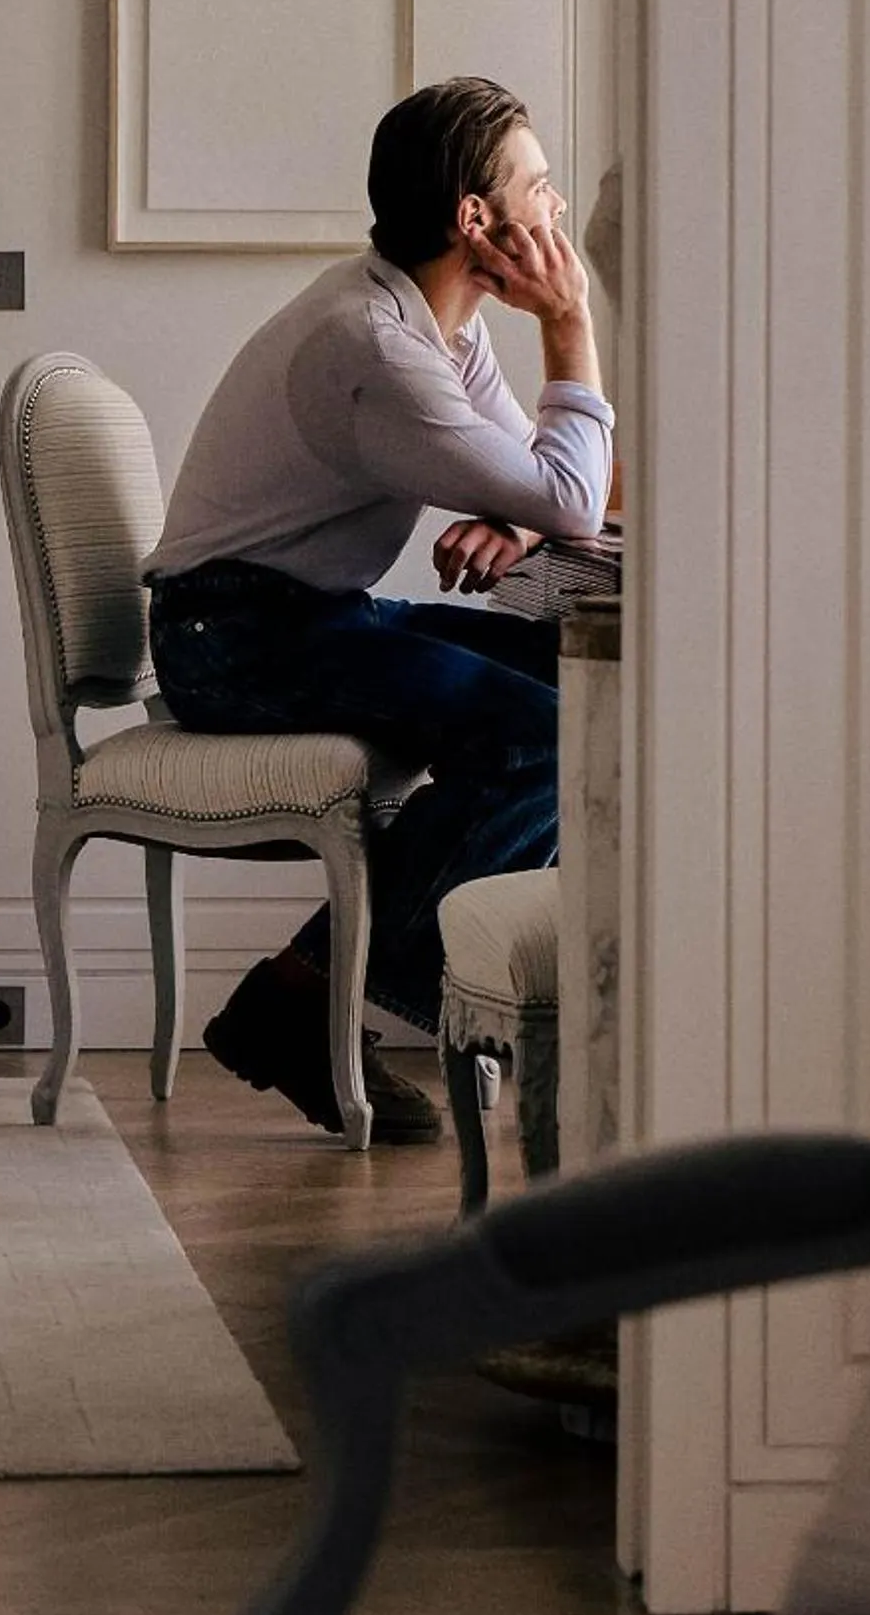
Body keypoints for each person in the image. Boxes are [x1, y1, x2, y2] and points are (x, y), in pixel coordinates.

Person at [145, 77, 614, 1143]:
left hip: (308, 615)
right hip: (233, 636)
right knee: (547, 737)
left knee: (570, 677)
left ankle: (311, 994)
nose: (555, 211)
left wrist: (524, 521)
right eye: (539, 189)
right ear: (474, 218)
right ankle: (310, 996)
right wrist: (571, 321)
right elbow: (572, 490)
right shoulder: (379, 348)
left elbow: (551, 494)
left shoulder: (435, 328)